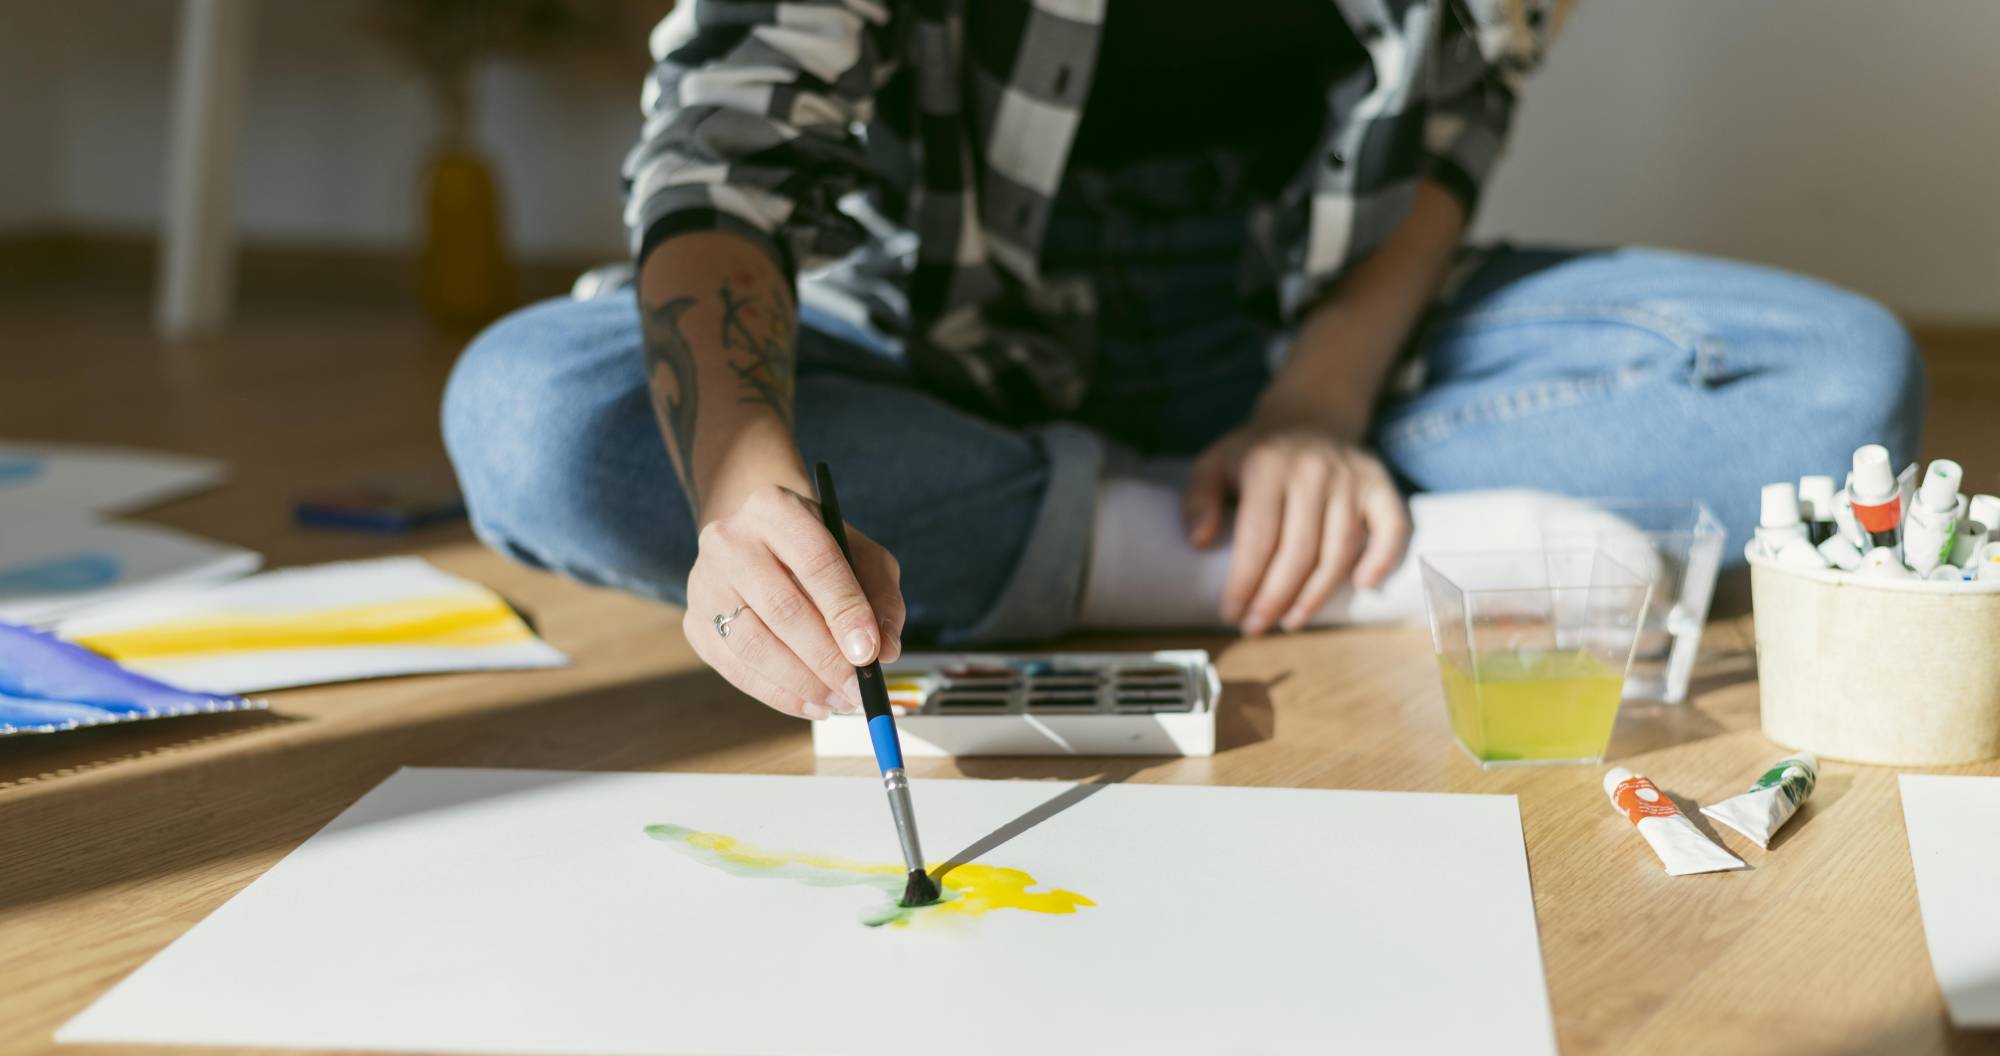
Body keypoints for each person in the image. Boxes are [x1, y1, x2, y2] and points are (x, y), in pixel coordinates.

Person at [442, 0, 1924, 721]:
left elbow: (1460, 109)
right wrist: (747, 493)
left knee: (1831, 386)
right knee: (531, 417)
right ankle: (1230, 554)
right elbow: (728, 144)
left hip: (1302, 308)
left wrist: (1320, 400)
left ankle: (1155, 512)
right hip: (930, 325)